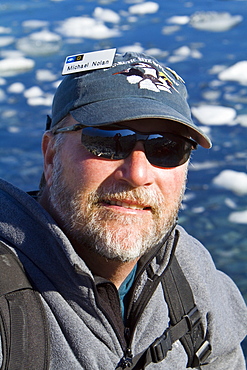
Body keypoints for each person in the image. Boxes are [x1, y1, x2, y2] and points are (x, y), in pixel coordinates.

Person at [0, 50, 246, 370]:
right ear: (50, 155)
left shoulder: (194, 279)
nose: (138, 174)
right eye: (108, 141)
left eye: (166, 148)